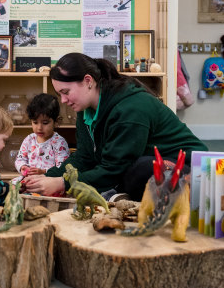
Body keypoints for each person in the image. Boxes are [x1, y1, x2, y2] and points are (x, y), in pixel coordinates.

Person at [24, 52, 208, 201]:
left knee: (139, 170)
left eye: (66, 92)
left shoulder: (130, 109)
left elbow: (114, 169)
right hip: (139, 163)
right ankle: (119, 194)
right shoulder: (85, 109)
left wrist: (63, 183)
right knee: (129, 171)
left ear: (88, 81)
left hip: (189, 169)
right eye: (60, 94)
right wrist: (50, 177)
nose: (63, 100)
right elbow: (84, 158)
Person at [14, 93, 70, 177]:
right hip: (30, 178)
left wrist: (44, 171)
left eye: (45, 123)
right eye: (35, 122)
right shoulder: (29, 139)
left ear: (56, 122)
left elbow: (62, 167)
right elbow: (20, 159)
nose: (39, 127)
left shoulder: (59, 142)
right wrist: (23, 167)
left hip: (50, 180)